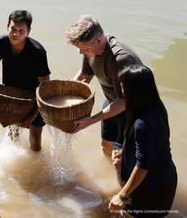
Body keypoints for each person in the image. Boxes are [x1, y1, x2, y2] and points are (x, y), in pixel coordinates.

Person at [65, 15, 143, 157]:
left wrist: (90, 121)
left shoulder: (121, 59)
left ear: (99, 40)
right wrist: (63, 96)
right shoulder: (90, 50)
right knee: (106, 146)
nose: (81, 52)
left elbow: (125, 101)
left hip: (133, 111)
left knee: (120, 157)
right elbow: (84, 75)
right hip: (112, 102)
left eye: (84, 49)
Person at [108, 65, 177, 217]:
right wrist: (125, 154)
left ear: (134, 91)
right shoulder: (157, 107)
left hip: (149, 188)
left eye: (123, 86)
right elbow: (152, 147)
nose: (121, 90)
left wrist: (121, 195)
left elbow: (143, 165)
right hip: (165, 179)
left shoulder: (142, 124)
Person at [0, 10, 51, 151]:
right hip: (11, 96)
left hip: (34, 97)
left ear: (28, 31)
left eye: (21, 30)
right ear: (7, 26)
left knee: (35, 143)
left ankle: (36, 168)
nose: (16, 34)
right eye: (13, 29)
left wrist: (33, 114)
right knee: (13, 137)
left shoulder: (37, 51)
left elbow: (45, 86)